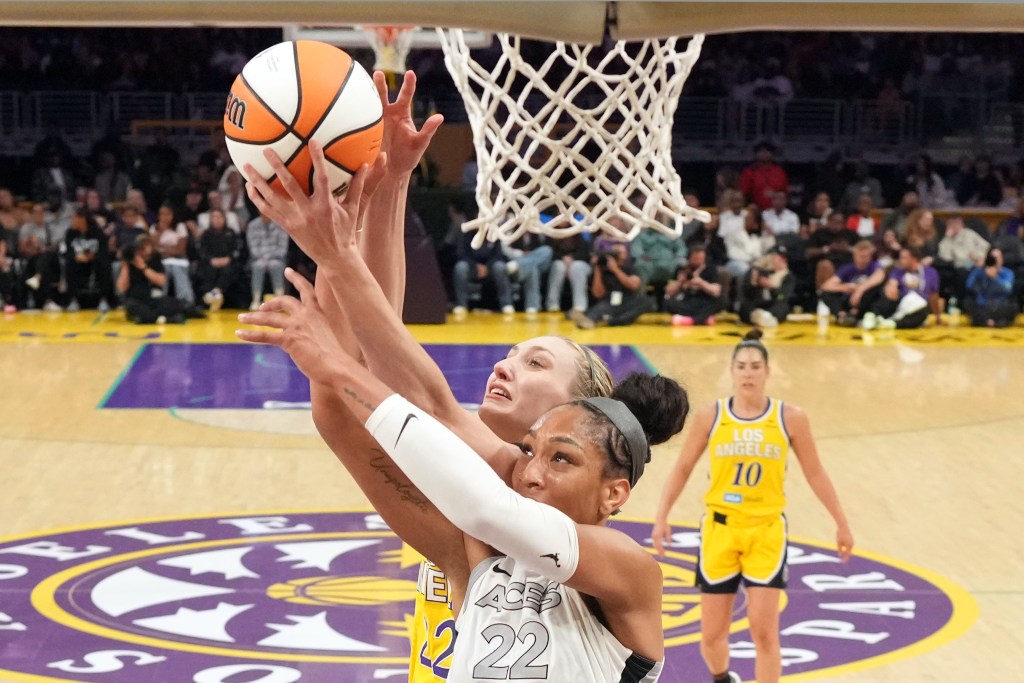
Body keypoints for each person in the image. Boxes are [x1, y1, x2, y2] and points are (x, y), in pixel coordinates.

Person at [238, 71, 676, 683]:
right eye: (531, 451)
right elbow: (399, 393)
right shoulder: (476, 534)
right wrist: (378, 190)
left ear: (585, 413)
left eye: (536, 363)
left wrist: (339, 266)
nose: (505, 365)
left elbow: (441, 434)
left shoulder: (597, 557)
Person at [240, 269, 687, 680]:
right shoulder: (480, 553)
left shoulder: (628, 568)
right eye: (527, 451)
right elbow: (369, 415)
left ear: (614, 494)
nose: (530, 472)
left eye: (561, 459)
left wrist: (335, 364)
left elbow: (486, 503)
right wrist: (336, 251)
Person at [652, 330, 853, 683]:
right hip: (720, 531)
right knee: (711, 637)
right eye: (742, 366)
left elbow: (815, 472)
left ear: (767, 372)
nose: (748, 373)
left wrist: (841, 522)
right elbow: (682, 468)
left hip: (766, 532)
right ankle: (723, 678)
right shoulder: (711, 416)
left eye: (755, 366)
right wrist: (662, 516)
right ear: (731, 371)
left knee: (764, 632)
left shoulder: (790, 417)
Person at [572, 240, 649, 329]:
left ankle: (613, 320)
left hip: (628, 301)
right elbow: (598, 294)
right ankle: (591, 319)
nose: (617, 255)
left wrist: (615, 270)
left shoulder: (630, 267)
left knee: (646, 303)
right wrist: (597, 268)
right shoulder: (603, 270)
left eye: (620, 252)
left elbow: (634, 285)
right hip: (609, 302)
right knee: (601, 307)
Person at [818, 239, 885, 326]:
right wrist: (844, 287)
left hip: (864, 301)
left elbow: (879, 276)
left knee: (874, 289)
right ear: (855, 255)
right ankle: (842, 315)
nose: (864, 259)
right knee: (826, 293)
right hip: (848, 299)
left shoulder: (874, 266)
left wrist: (860, 290)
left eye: (867, 256)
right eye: (862, 256)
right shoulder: (848, 268)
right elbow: (826, 286)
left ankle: (855, 314)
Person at [664, 243, 722, 326]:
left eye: (700, 259)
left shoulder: (710, 269)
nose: (697, 261)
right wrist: (680, 282)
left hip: (705, 301)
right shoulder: (683, 269)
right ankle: (703, 318)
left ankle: (691, 320)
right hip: (688, 301)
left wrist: (701, 283)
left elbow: (716, 291)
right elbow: (668, 292)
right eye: (695, 259)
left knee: (721, 301)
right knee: (667, 303)